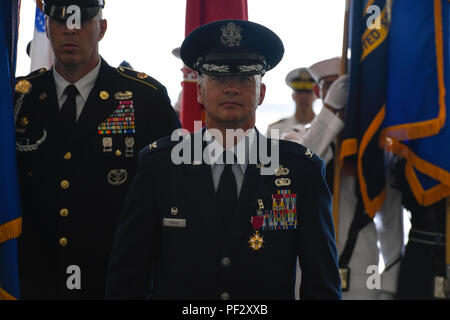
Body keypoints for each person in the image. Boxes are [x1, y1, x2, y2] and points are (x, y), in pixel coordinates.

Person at [105, 19, 341, 300]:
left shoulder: (301, 171)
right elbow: (128, 278)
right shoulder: (160, 166)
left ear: (261, 93)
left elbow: (322, 284)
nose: (231, 88)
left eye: (244, 78)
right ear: (199, 91)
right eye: (218, 77)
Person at [14, 0, 180, 299]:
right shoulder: (17, 99)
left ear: (101, 28)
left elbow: (172, 196)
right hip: (34, 280)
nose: (70, 32)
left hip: (115, 281)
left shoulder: (146, 99)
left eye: (81, 23)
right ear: (48, 28)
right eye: (62, 22)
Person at [283, 62, 404, 299]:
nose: (336, 92)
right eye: (328, 86)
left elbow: (390, 217)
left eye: (343, 87)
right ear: (319, 93)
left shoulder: (374, 149)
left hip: (361, 271)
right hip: (306, 270)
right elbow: (302, 164)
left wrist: (389, 284)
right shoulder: (295, 136)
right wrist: (329, 111)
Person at [266, 67, 316, 138]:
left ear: (316, 95)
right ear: (293, 96)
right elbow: (269, 149)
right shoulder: (275, 130)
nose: (304, 96)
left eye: (308, 91)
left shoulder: (325, 128)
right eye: (300, 91)